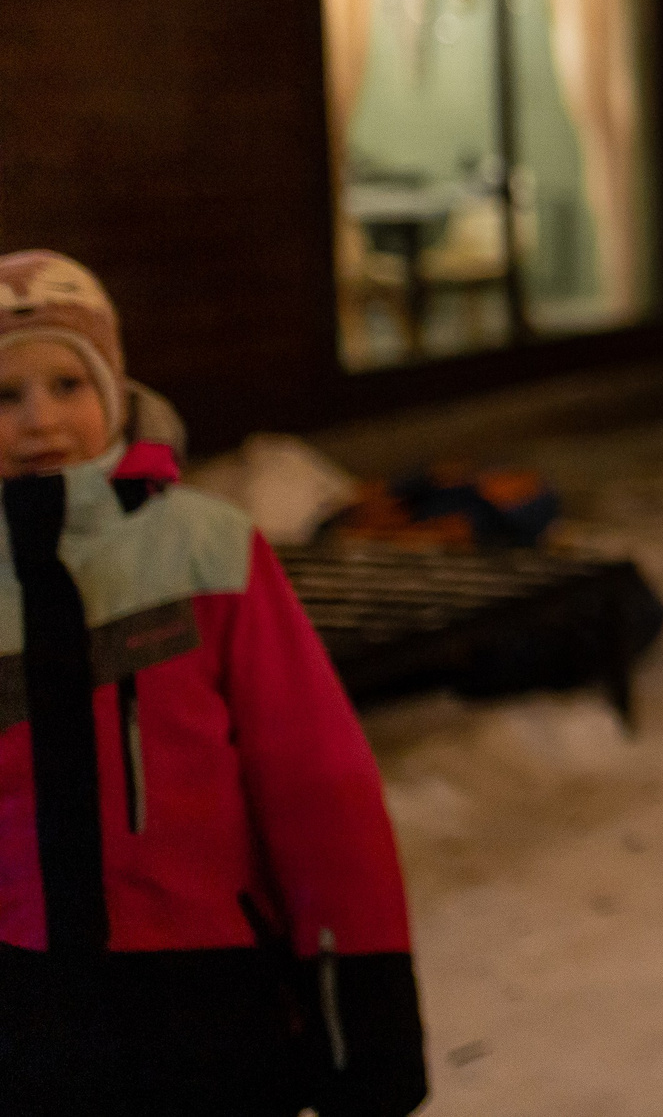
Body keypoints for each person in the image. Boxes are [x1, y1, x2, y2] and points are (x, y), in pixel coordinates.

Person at [0, 249, 427, 1116]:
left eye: (67, 384)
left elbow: (315, 782)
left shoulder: (210, 548)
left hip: (206, 998)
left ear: (114, 389)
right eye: (5, 395)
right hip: (22, 1002)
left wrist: (359, 993)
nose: (39, 418)